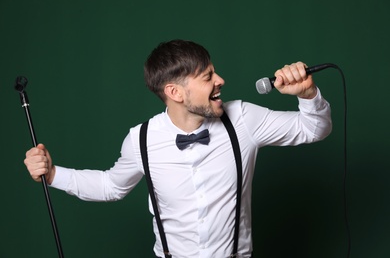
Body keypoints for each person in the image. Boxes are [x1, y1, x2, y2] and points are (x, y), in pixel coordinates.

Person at [24, 39, 332, 258]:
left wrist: (308, 95)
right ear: (175, 92)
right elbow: (110, 186)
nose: (220, 80)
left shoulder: (244, 119)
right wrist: (52, 174)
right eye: (208, 76)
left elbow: (313, 130)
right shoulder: (141, 139)